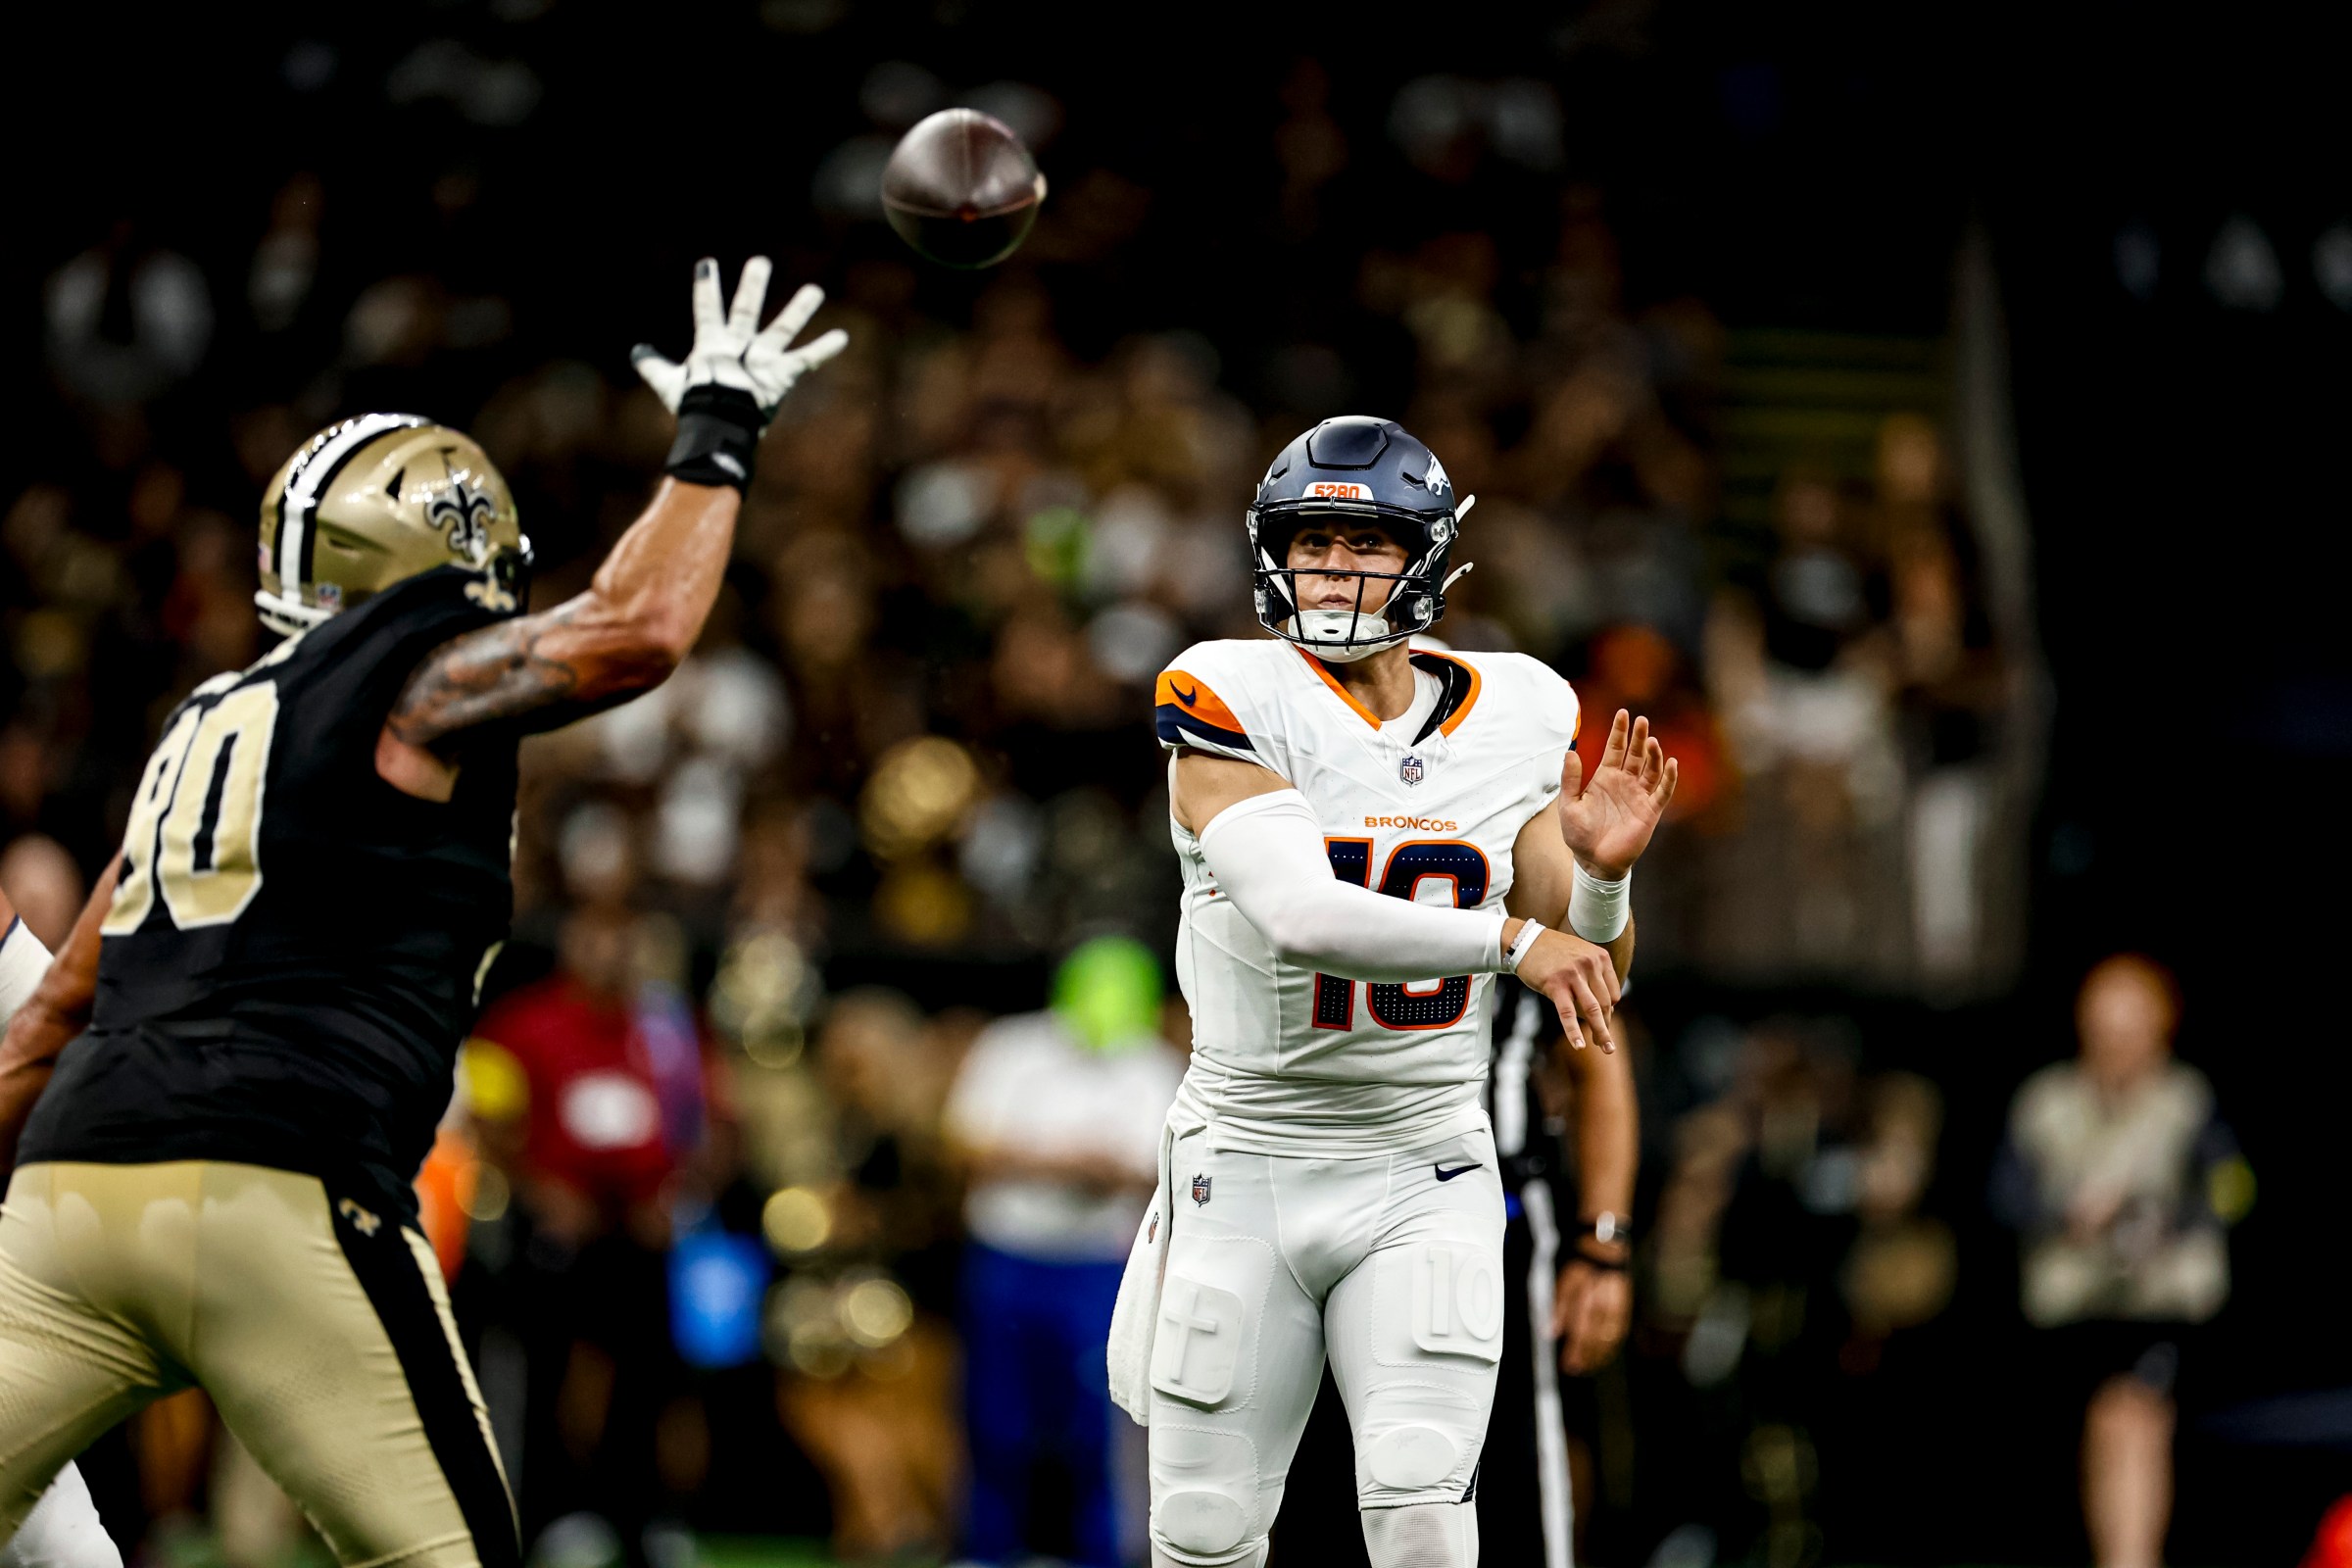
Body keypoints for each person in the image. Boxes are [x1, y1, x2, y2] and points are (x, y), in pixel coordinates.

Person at [0, 259, 845, 1565]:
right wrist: (717, 426)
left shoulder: (202, 727)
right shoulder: (411, 673)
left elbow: (51, 1011)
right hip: (279, 1190)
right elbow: (637, 626)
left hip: (71, 1197)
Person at [1104, 416, 1677, 1568]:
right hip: (1249, 1154)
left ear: (1429, 557)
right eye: (1309, 541)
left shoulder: (1516, 706)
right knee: (1205, 1532)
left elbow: (1596, 967)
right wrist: (1514, 939)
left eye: (1361, 543)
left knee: (1424, 1518)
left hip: (1426, 1160)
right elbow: (1303, 911)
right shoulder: (1226, 688)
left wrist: (1606, 880)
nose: (1329, 567)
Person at [1992, 954, 2247, 1568]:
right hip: (2073, 1302)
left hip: (2160, 1303)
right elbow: (2005, 1195)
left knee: (2132, 1417)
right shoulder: (2046, 1101)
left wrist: (2172, 1219)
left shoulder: (2187, 1100)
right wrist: (2066, 1216)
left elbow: (2233, 1186)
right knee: (2104, 1428)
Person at [944, 936, 1185, 1567]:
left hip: (1098, 1265)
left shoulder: (1150, 1065)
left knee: (1098, 1424)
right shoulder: (1013, 1048)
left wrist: (1108, 1171)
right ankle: (987, 1550)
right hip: (1009, 1255)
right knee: (996, 1417)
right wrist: (1054, 1163)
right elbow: (962, 1142)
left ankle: (1100, 1553)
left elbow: (1171, 1169)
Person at [1478, 979, 1638, 1568]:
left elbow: (1597, 1045)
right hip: (1324, 1197)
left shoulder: (1528, 888)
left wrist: (1603, 1247)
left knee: (1519, 1467)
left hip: (1495, 1209)